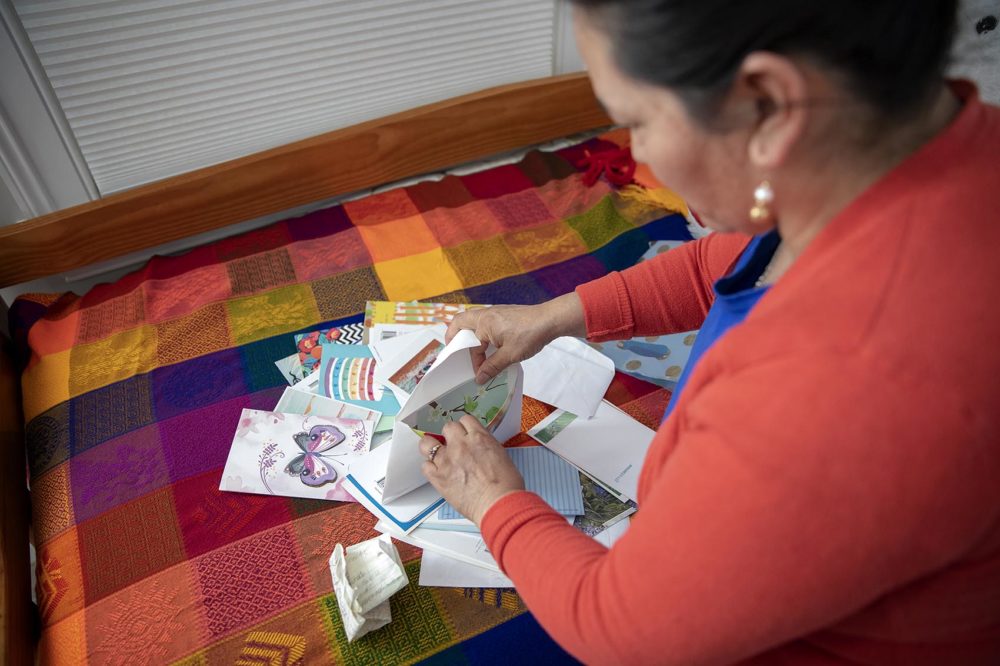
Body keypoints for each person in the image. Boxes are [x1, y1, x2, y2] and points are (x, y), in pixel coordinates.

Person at [418, 1, 1000, 663]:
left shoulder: (849, 387)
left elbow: (625, 630)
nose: (635, 153)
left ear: (768, 106)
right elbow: (725, 259)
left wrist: (495, 502)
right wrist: (551, 318)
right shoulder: (911, 149)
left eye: (635, 121)